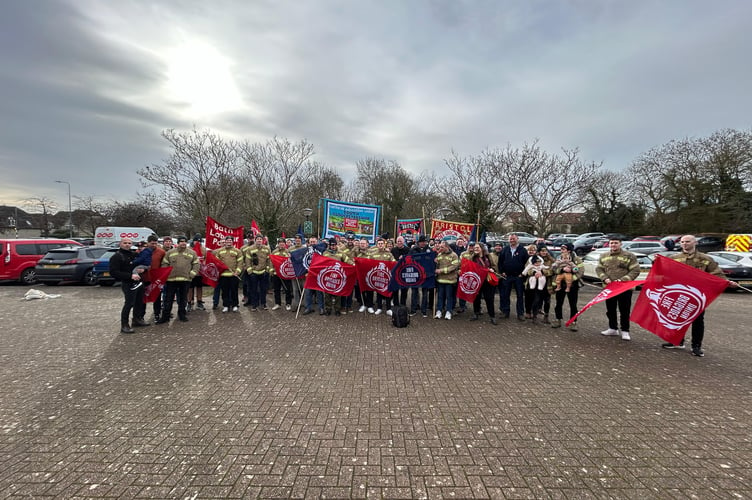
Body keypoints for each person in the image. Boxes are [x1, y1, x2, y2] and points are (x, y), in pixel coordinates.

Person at [663, 234, 738, 356]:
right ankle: (677, 341)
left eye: (687, 241)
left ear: (695, 243)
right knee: (677, 319)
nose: (684, 244)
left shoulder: (705, 259)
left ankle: (696, 346)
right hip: (680, 294)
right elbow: (665, 272)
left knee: (697, 321)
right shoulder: (674, 258)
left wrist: (727, 282)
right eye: (682, 242)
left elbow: (716, 273)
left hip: (697, 295)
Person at [596, 238, 640, 340]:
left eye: (616, 243)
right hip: (609, 288)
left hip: (624, 288)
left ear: (620, 244)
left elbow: (635, 270)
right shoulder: (604, 256)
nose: (613, 245)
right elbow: (599, 268)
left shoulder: (629, 256)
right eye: (612, 243)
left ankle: (625, 331)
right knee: (610, 309)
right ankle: (612, 328)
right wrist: (604, 278)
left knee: (624, 310)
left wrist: (623, 280)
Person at [109, 237, 149, 333]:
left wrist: (144, 270)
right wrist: (130, 276)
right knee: (129, 304)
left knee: (139, 302)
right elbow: (113, 272)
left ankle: (137, 319)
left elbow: (141, 264)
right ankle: (124, 325)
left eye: (129, 243)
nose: (127, 244)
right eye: (125, 243)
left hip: (138, 282)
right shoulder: (116, 257)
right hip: (127, 283)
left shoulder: (133, 254)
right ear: (120, 244)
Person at [156, 236, 199, 324]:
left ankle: (182, 315)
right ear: (178, 243)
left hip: (185, 280)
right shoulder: (170, 252)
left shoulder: (192, 253)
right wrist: (166, 274)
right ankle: (165, 316)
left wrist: (192, 274)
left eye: (185, 242)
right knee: (168, 299)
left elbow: (196, 264)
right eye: (181, 241)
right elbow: (164, 263)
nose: (183, 243)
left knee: (183, 299)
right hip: (171, 280)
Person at [550, 243, 584, 330]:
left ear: (569, 250)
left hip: (572, 285)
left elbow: (580, 271)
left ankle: (573, 322)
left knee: (573, 304)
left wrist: (572, 277)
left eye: (563, 249)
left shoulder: (576, 259)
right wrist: (562, 270)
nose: (561, 250)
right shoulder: (559, 258)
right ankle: (558, 320)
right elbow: (553, 269)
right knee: (558, 303)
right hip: (560, 284)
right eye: (561, 249)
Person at [498, 234, 528, 320]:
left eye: (514, 239)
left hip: (518, 276)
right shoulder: (505, 250)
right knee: (505, 295)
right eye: (510, 239)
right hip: (507, 276)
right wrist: (502, 271)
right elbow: (500, 262)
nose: (512, 240)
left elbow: (527, 263)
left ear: (517, 239)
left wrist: (523, 274)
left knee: (520, 296)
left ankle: (520, 313)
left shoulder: (523, 250)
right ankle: (505, 312)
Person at [468, 243, 498, 325]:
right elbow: (470, 268)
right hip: (477, 280)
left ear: (482, 248)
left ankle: (492, 316)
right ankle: (476, 313)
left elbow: (494, 266)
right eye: (475, 248)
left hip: (487, 280)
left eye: (477, 247)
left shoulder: (488, 257)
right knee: (476, 297)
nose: (475, 249)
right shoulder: (473, 257)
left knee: (489, 298)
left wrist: (492, 269)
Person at [213, 236, 244, 313]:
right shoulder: (219, 251)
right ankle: (226, 306)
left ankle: (235, 305)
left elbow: (240, 263)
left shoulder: (237, 251)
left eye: (230, 240)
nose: (229, 242)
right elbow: (217, 262)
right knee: (224, 291)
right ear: (225, 241)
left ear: (232, 242)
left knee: (234, 291)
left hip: (234, 275)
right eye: (227, 240)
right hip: (223, 275)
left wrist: (238, 271)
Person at [243, 234, 271, 311]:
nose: (259, 240)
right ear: (255, 240)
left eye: (260, 239)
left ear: (262, 240)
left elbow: (269, 260)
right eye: (258, 239)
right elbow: (247, 261)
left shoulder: (266, 249)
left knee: (263, 289)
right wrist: (250, 271)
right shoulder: (250, 249)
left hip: (263, 272)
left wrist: (267, 270)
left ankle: (263, 304)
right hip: (254, 273)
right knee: (253, 289)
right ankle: (254, 305)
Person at [408, 235, 434, 317]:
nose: (424, 243)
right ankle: (413, 310)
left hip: (426, 275)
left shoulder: (429, 250)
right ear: (419, 242)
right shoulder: (413, 250)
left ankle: (424, 310)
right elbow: (409, 260)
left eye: (425, 242)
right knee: (414, 292)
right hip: (415, 274)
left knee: (425, 293)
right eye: (422, 242)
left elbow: (431, 261)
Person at [434, 240, 459, 320]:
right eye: (440, 247)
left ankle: (449, 311)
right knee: (440, 297)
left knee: (449, 297)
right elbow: (437, 266)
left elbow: (454, 266)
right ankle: (439, 311)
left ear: (447, 247)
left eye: (442, 247)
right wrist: (435, 262)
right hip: (440, 280)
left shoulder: (454, 255)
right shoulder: (439, 254)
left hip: (450, 280)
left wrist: (441, 271)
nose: (440, 248)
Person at [270, 238, 293, 311]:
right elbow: (271, 261)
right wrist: (271, 270)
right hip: (276, 274)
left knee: (287, 289)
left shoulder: (288, 252)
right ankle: (277, 303)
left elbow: (291, 262)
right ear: (278, 244)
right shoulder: (274, 252)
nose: (281, 244)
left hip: (285, 274)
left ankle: (288, 303)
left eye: (283, 243)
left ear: (285, 244)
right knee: (276, 289)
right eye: (280, 243)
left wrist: (290, 257)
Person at [186, 234, 206, 312]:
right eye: (196, 241)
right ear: (193, 241)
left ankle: (199, 301)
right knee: (190, 288)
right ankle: (189, 302)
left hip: (200, 272)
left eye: (199, 241)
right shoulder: (189, 249)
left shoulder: (203, 249)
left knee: (199, 287)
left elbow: (206, 259)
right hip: (191, 271)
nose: (197, 242)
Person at [390, 236, 410, 307]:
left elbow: (411, 260)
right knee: (395, 290)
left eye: (400, 241)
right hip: (395, 273)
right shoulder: (393, 250)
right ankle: (396, 304)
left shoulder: (408, 250)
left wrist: (404, 258)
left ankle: (403, 305)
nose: (399, 243)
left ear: (403, 242)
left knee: (404, 290)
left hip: (404, 273)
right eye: (398, 241)